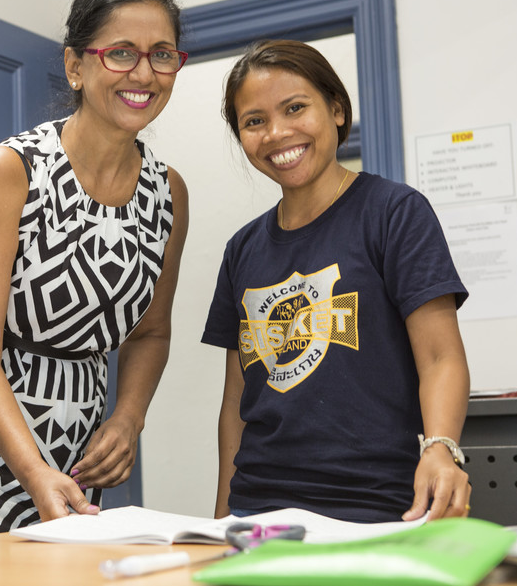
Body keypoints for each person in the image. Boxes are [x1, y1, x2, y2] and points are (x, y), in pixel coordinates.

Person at [0, 0, 189, 543]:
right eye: (121, 53)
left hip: (73, 428)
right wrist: (32, 471)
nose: (144, 73)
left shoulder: (168, 191)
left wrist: (128, 417)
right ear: (76, 66)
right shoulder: (9, 171)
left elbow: (151, 334)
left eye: (162, 54)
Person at [202, 39, 471, 524]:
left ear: (337, 110)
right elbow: (236, 401)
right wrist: (222, 518)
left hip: (376, 506)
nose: (277, 133)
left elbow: (440, 356)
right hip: (259, 509)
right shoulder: (242, 250)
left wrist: (441, 449)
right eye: (254, 121)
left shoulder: (394, 213)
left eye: (295, 108)